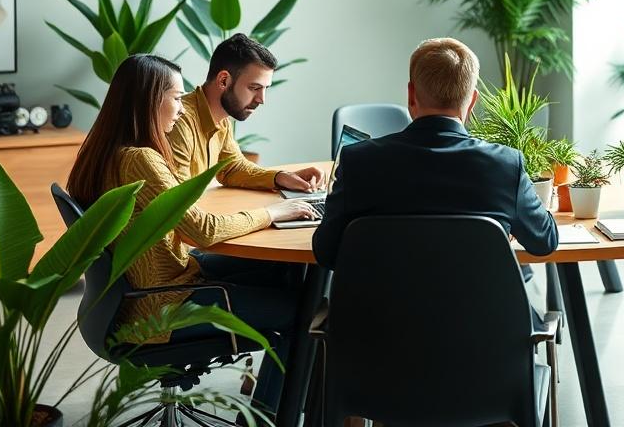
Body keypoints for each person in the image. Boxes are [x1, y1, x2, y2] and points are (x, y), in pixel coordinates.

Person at [67, 54, 318, 416]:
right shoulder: (140, 159)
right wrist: (274, 213)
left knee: (281, 276)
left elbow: (230, 171)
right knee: (300, 313)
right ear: (151, 101)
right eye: (175, 98)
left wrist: (276, 183)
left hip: (138, 293)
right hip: (160, 307)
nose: (182, 108)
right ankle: (273, 418)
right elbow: (203, 229)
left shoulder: (108, 150)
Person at [312, 36, 558, 269]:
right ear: (472, 101)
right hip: (479, 313)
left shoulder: (359, 161)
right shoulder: (505, 165)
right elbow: (544, 242)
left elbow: (326, 252)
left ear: (411, 95)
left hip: (379, 313)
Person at [168, 33, 324, 192]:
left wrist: (281, 177)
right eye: (255, 88)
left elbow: (232, 168)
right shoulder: (179, 122)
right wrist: (270, 213)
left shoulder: (221, 119)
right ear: (223, 81)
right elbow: (179, 204)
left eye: (265, 89)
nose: (262, 99)